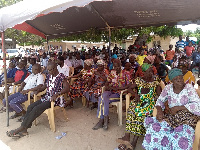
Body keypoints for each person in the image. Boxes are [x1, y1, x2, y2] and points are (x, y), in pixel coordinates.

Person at [6, 62, 69, 138]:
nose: (48, 72)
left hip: (55, 100)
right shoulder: (49, 76)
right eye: (48, 70)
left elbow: (67, 88)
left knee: (36, 109)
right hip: (47, 97)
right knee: (30, 107)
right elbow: (46, 85)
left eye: (50, 70)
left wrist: (57, 94)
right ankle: (24, 129)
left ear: (55, 68)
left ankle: (22, 128)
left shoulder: (62, 77)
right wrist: (39, 90)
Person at [143, 68, 200, 150]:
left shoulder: (189, 88)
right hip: (171, 117)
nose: (180, 80)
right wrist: (159, 111)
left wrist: (179, 108)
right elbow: (160, 101)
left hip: (187, 119)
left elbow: (197, 104)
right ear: (172, 81)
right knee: (154, 129)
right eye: (176, 79)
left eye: (181, 77)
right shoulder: (168, 88)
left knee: (181, 139)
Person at [117, 63, 161, 150]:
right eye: (147, 72)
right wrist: (135, 94)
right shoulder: (139, 80)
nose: (150, 74)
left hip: (149, 102)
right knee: (131, 111)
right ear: (143, 73)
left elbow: (160, 94)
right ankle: (127, 136)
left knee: (140, 114)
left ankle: (134, 141)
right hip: (139, 100)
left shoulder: (156, 81)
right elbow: (129, 88)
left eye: (151, 71)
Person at [93, 59, 131, 130]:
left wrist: (120, 88)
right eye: (115, 66)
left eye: (117, 66)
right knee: (102, 96)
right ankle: (104, 119)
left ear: (120, 65)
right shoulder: (112, 72)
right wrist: (107, 86)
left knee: (103, 99)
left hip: (119, 93)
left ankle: (103, 120)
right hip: (111, 90)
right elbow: (108, 81)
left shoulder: (126, 73)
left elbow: (129, 85)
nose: (116, 68)